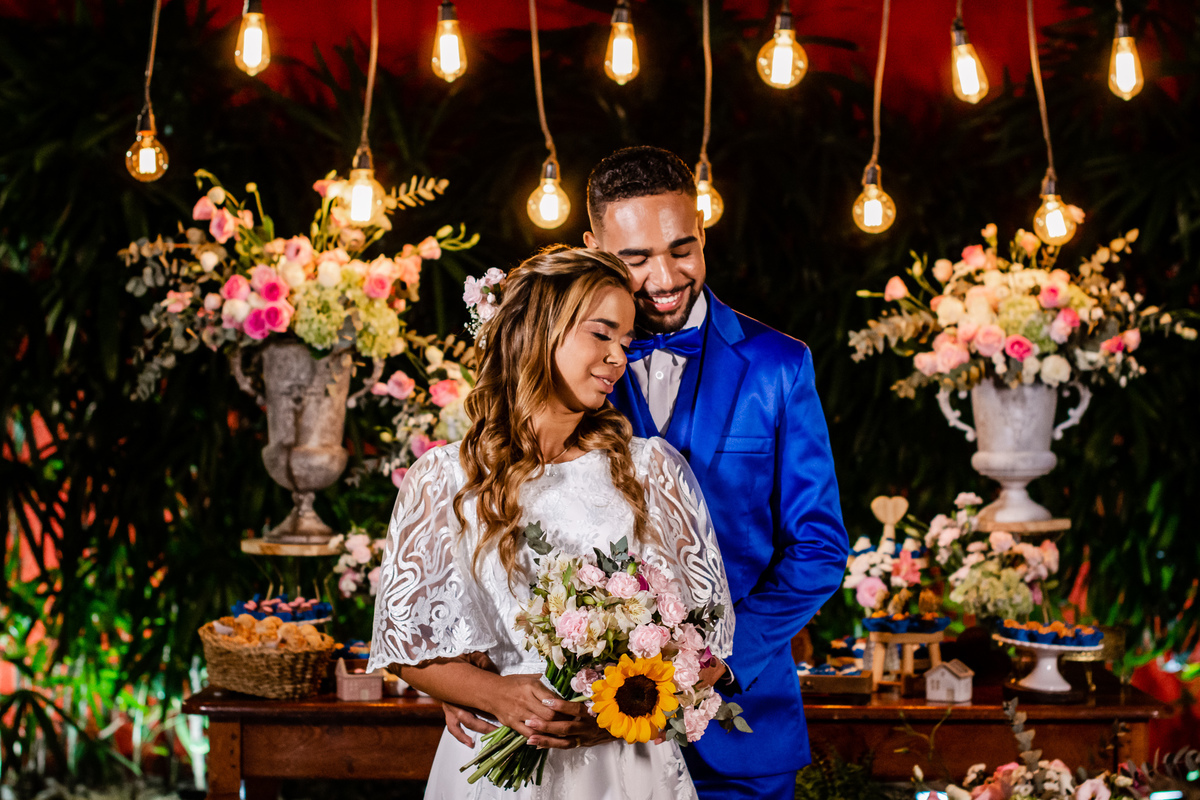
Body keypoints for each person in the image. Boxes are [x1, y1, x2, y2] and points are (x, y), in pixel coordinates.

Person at [367, 247, 735, 799]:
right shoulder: (444, 478)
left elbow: (706, 644)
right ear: (538, 331)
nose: (618, 358)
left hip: (624, 764)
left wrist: (627, 711)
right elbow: (407, 647)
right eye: (601, 334)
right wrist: (493, 694)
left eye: (626, 342)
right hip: (498, 766)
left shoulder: (650, 469)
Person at [585, 146, 848, 799]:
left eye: (682, 248)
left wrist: (723, 660)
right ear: (593, 249)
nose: (665, 276)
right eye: (635, 259)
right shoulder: (563, 377)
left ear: (703, 233)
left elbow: (818, 549)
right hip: (596, 737)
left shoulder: (779, 366)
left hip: (744, 731)